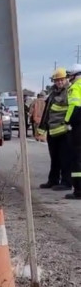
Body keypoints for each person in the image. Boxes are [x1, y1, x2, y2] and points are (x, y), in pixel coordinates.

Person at [38, 68, 72, 191]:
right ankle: (53, 180)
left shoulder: (70, 91)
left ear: (66, 79)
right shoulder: (52, 93)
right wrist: (42, 129)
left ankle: (66, 182)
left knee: (65, 158)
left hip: (65, 131)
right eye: (57, 80)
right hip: (53, 131)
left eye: (61, 80)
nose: (59, 82)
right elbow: (47, 111)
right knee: (54, 158)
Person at [64, 64, 81, 200]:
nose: (69, 78)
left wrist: (67, 121)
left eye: (70, 75)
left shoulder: (75, 87)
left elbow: (73, 107)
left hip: (78, 128)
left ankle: (78, 191)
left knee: (76, 160)